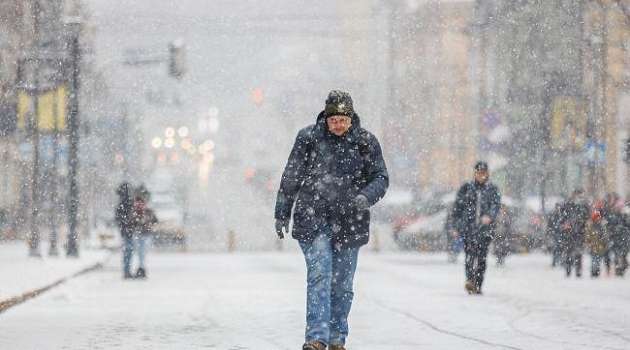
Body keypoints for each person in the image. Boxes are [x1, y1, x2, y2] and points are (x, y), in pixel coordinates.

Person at [275, 90, 388, 350]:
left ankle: (337, 337)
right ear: (326, 117)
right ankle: (316, 337)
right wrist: (282, 212)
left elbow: (381, 177)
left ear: (351, 118)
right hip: (313, 219)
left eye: (343, 120)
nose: (338, 125)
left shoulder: (365, 142)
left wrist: (365, 197)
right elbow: (291, 177)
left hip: (350, 220)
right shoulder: (308, 139)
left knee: (343, 284)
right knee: (319, 275)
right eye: (334, 119)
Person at [451, 161, 501, 295]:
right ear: (475, 173)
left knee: (481, 258)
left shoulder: (492, 189)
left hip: (485, 230)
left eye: (483, 173)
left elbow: (496, 206)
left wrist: (489, 216)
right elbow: (457, 208)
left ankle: (478, 284)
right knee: (469, 256)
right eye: (479, 173)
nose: (481, 176)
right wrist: (455, 226)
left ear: (487, 174)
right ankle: (470, 281)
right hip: (469, 228)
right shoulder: (466, 188)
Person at [558, 189, 590, 278]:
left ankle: (578, 271)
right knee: (569, 252)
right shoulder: (568, 204)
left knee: (578, 253)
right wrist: (565, 224)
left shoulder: (583, 205)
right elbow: (562, 217)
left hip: (579, 232)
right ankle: (568, 270)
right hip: (569, 232)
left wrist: (582, 223)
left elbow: (587, 217)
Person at [131, 185, 157, 279]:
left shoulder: (138, 209)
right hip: (144, 233)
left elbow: (132, 221)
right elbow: (154, 220)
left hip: (140, 233)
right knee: (142, 253)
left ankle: (141, 269)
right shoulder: (146, 209)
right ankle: (141, 269)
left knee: (140, 252)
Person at [115, 182, 135, 279]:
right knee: (128, 251)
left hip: (125, 231)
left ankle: (126, 270)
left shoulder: (122, 203)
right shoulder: (128, 202)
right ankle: (127, 271)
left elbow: (118, 218)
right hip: (128, 231)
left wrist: (122, 225)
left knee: (127, 251)